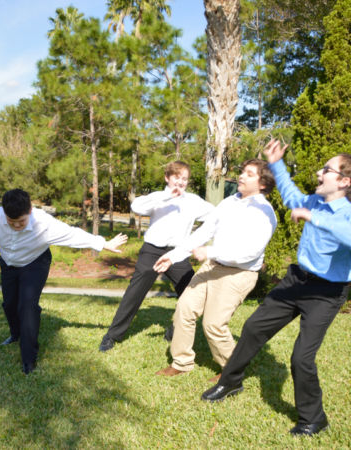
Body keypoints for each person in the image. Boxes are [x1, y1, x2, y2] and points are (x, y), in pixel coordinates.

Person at [201, 141, 351, 437]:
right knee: (254, 327)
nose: (319, 173)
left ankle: (313, 419)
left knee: (301, 357)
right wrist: (277, 163)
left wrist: (314, 217)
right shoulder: (314, 200)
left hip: (326, 293)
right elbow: (293, 197)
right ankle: (230, 381)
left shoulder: (345, 212)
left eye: (327, 169)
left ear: (345, 181)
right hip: (296, 281)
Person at [0, 188, 127, 374]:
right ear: (4, 214)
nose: (17, 226)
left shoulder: (44, 223)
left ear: (30, 211)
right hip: (9, 263)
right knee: (9, 304)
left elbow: (72, 235)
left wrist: (103, 243)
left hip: (35, 263)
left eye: (21, 221)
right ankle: (15, 334)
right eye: (12, 222)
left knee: (27, 307)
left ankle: (29, 360)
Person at [153, 159, 277, 379]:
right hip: (212, 266)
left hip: (238, 273)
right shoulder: (230, 201)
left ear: (263, 183)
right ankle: (181, 362)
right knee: (184, 309)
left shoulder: (264, 212)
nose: (241, 176)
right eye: (243, 171)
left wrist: (210, 252)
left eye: (249, 174)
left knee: (213, 324)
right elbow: (204, 232)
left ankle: (231, 371)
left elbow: (250, 252)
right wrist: (173, 256)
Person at [98, 161, 214, 352]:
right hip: (152, 251)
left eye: (185, 179)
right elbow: (136, 206)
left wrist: (197, 240)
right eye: (177, 177)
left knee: (193, 294)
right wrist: (168, 196)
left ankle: (174, 332)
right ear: (167, 178)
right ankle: (112, 336)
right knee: (134, 293)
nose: (181, 182)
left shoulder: (193, 201)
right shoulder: (157, 197)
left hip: (177, 254)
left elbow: (215, 216)